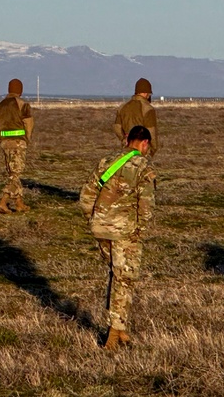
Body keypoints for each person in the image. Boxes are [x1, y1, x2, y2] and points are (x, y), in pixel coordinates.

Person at [79, 125, 157, 350]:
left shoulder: (107, 162)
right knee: (124, 279)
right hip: (125, 233)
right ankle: (113, 333)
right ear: (144, 144)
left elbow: (86, 196)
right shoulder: (143, 166)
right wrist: (140, 231)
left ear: (127, 140)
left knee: (117, 276)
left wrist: (94, 220)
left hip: (101, 229)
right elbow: (146, 205)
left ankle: (120, 328)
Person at [0, 78, 35, 214]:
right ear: (20, 90)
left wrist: (1, 137)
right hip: (18, 142)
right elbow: (28, 123)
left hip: (5, 143)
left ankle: (19, 203)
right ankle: (3, 202)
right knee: (15, 173)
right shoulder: (22, 104)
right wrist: (27, 138)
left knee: (13, 171)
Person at [113, 78, 159, 150]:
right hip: (142, 147)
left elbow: (117, 128)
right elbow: (151, 132)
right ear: (145, 93)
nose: (149, 96)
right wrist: (153, 148)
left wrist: (124, 140)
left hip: (126, 147)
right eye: (149, 94)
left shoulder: (122, 107)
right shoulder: (148, 109)